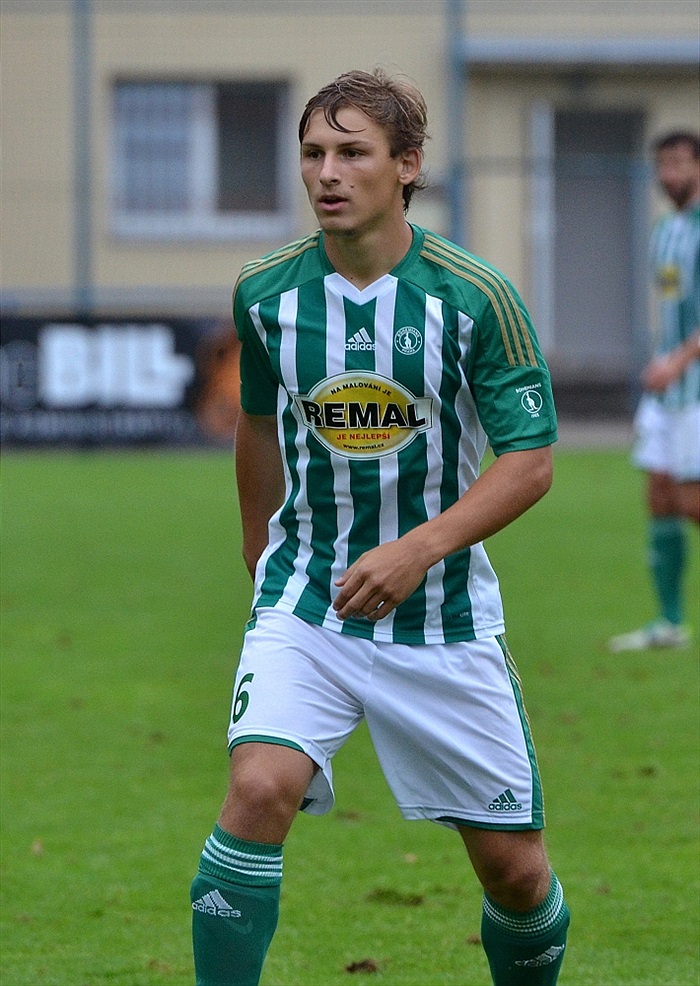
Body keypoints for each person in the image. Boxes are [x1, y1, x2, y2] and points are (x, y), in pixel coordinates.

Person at [190, 68, 570, 986]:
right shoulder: (265, 294)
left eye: (352, 152)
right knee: (258, 789)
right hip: (308, 601)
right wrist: (259, 552)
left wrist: (418, 547)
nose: (327, 172)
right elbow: (253, 427)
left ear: (407, 166)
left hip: (440, 619)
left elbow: (532, 462)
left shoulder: (476, 297)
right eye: (313, 153)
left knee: (515, 875)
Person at [608, 132, 700, 653]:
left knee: (692, 503)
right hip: (666, 387)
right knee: (660, 497)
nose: (669, 174)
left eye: (680, 163)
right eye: (662, 164)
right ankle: (668, 622)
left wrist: (680, 362)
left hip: (693, 386)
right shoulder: (665, 231)